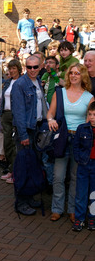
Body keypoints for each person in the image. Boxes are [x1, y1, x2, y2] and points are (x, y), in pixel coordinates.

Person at [47, 63, 94, 223]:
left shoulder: (89, 97)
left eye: (77, 73)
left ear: (83, 76)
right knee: (58, 176)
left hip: (80, 140)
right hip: (62, 138)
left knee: (75, 177)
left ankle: (73, 209)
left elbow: (90, 121)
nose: (74, 76)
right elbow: (50, 113)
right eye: (71, 73)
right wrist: (50, 120)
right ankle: (57, 209)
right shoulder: (59, 93)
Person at [11, 54, 48, 215]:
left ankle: (30, 196)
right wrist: (23, 135)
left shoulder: (38, 81)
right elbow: (18, 112)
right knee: (23, 167)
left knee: (34, 165)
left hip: (37, 128)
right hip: (26, 130)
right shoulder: (20, 84)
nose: (32, 70)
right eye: (28, 67)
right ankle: (21, 202)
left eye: (35, 67)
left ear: (40, 67)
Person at [72, 102, 95, 231]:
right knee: (81, 193)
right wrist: (79, 158)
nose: (92, 117)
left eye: (94, 115)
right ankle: (79, 219)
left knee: (94, 193)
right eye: (90, 114)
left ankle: (92, 218)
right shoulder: (82, 128)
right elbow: (76, 145)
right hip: (84, 164)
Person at [0, 59, 22, 183]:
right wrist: (0, 115)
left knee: (14, 145)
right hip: (5, 115)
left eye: (14, 68)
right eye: (10, 69)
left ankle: (15, 173)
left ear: (18, 68)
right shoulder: (7, 83)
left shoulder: (22, 82)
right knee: (7, 144)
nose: (11, 71)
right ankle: (11, 170)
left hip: (16, 115)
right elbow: (1, 100)